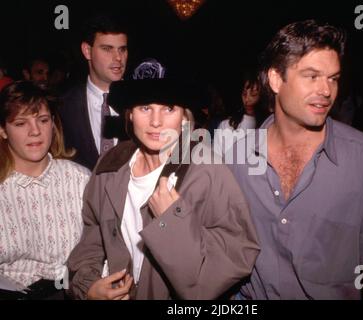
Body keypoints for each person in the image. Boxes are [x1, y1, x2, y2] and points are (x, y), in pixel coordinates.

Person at [228, 20, 363, 300]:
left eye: (333, 78)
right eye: (312, 76)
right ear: (276, 79)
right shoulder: (237, 159)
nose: (326, 91)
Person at [66, 78, 260, 300]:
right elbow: (92, 237)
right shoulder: (111, 164)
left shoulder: (206, 170)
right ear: (129, 114)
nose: (155, 122)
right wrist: (89, 286)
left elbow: (235, 258)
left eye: (169, 108)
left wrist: (170, 221)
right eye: (145, 108)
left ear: (185, 118)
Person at [0, 81, 90, 299]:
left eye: (43, 120)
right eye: (21, 123)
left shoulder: (80, 179)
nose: (35, 131)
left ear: (53, 124)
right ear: (3, 130)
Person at [59, 14, 128, 170]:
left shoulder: (145, 104)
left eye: (122, 49)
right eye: (107, 49)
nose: (118, 58)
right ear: (87, 51)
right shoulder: (63, 106)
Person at [214, 68, 262, 156]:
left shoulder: (270, 126)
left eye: (253, 94)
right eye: (244, 93)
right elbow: (216, 160)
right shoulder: (227, 125)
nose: (247, 99)